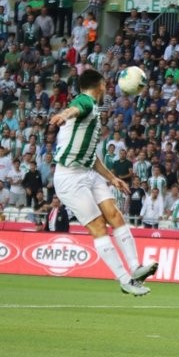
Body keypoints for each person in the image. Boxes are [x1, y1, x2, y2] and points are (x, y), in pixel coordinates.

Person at [49, 69, 158, 296]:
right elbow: (76, 108)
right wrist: (64, 114)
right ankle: (125, 280)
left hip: (88, 173)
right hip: (69, 178)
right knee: (98, 226)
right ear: (100, 85)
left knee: (115, 215)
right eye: (105, 85)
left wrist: (112, 178)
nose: (107, 87)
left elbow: (91, 155)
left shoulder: (92, 112)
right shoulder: (85, 101)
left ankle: (136, 268)